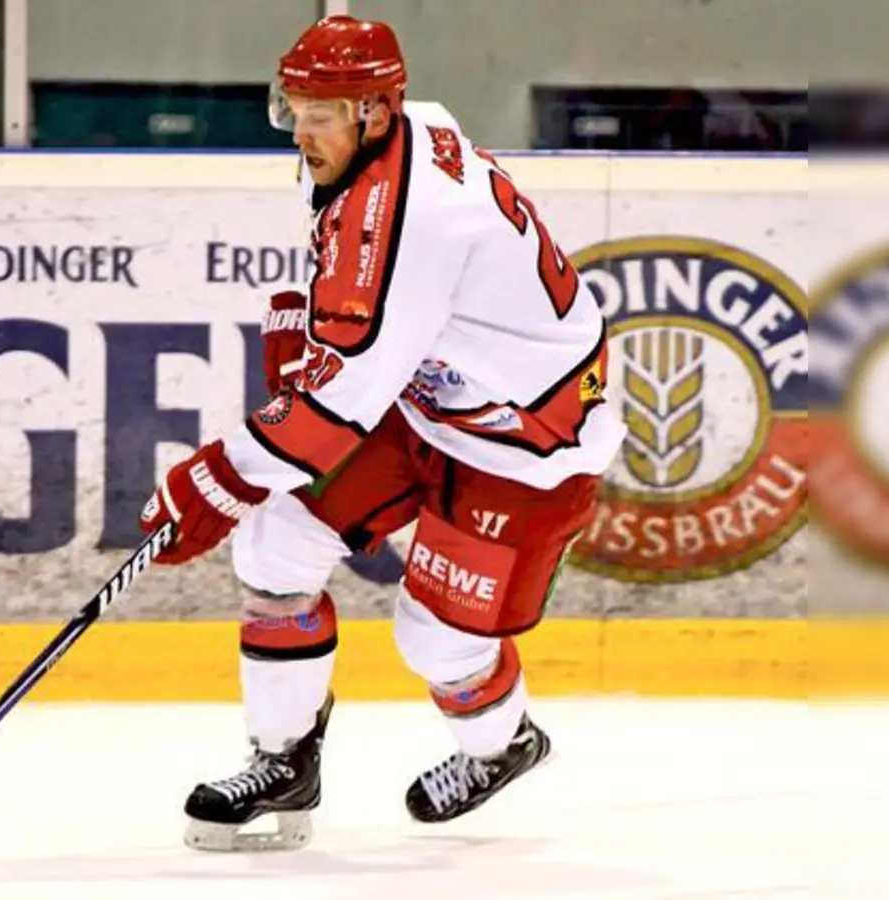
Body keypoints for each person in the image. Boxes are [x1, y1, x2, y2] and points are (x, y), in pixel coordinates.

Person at [139, 14, 626, 852]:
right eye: (293, 107)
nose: (301, 130)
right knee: (275, 543)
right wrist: (306, 328)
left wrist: (213, 481)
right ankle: (282, 759)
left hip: (529, 442)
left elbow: (335, 408)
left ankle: (500, 743)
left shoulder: (415, 219)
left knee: (434, 639)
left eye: (320, 113)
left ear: (374, 109)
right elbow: (348, 300)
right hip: (422, 399)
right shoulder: (385, 138)